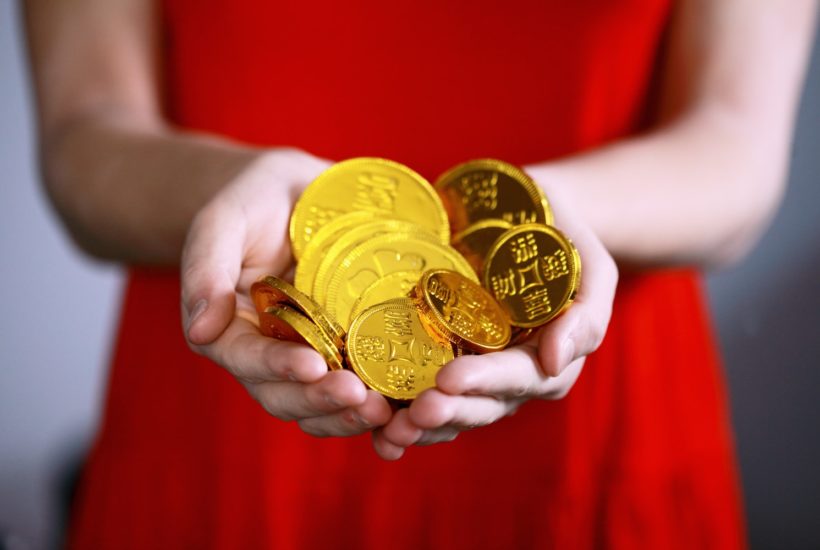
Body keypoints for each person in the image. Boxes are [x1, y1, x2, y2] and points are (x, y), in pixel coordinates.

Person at [24, 0, 816, 548]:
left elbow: (738, 149)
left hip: (593, 433)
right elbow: (83, 136)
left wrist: (543, 215)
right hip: (228, 404)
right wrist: (236, 189)